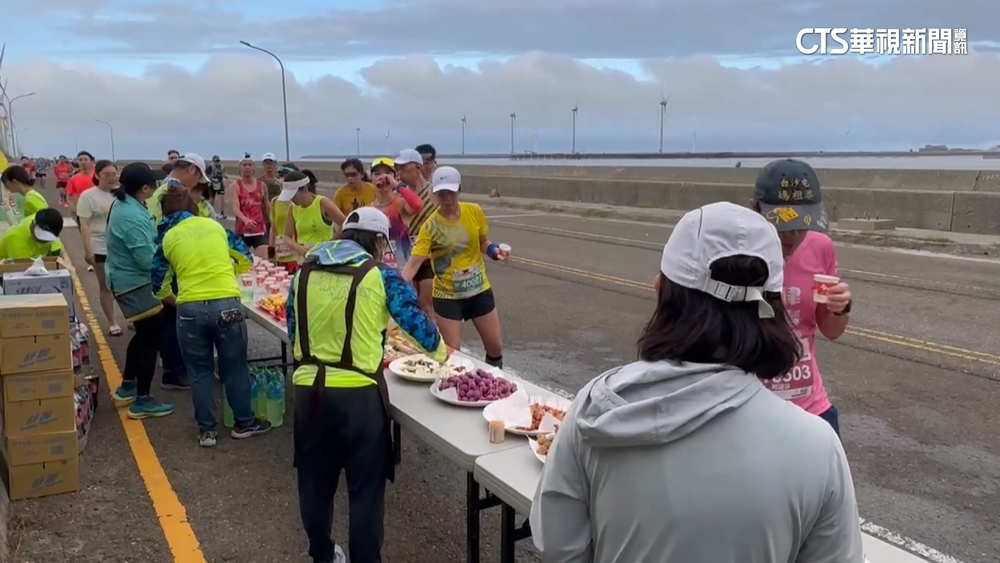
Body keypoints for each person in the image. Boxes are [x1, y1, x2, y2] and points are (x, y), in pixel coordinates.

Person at [530, 201, 864, 563]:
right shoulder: (817, 448)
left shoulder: (593, 410)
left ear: (661, 293)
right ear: (774, 310)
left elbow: (557, 546)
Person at [287, 207, 447, 563]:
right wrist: (440, 354)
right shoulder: (381, 275)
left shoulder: (304, 272)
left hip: (309, 391)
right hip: (359, 399)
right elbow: (416, 324)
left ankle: (322, 553)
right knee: (365, 491)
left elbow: (293, 329)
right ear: (377, 241)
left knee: (314, 484)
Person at [151, 187, 271, 447]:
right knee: (235, 366)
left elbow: (158, 284)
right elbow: (245, 259)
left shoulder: (167, 238)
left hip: (189, 309)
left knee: (199, 371)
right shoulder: (216, 227)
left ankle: (207, 431)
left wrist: (179, 300)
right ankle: (244, 423)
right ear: (193, 208)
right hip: (227, 303)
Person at [750, 158, 852, 436]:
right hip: (750, 410)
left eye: (802, 224)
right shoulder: (737, 251)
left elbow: (831, 330)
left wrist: (840, 307)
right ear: (754, 210)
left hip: (811, 408)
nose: (793, 235)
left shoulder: (821, 247)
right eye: (783, 224)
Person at [401, 167, 510, 367]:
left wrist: (494, 251)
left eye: (451, 192)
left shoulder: (473, 211)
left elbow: (483, 242)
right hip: (448, 297)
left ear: (459, 189)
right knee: (454, 356)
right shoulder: (430, 226)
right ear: (434, 192)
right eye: (441, 193)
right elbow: (414, 262)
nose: (447, 198)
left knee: (495, 348)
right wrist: (395, 286)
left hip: (478, 290)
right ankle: (455, 393)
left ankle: (493, 389)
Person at [105, 162, 175, 419]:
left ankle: (128, 386)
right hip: (134, 284)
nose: (156, 187)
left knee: (143, 335)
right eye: (153, 184)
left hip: (129, 280)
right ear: (144, 188)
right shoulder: (131, 216)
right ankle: (142, 400)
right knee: (151, 338)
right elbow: (146, 259)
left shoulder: (126, 204)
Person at [77, 160, 122, 336]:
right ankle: (112, 322)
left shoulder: (121, 195)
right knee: (105, 286)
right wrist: (88, 250)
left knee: (125, 284)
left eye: (114, 174)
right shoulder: (88, 196)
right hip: (99, 246)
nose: (112, 178)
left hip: (120, 247)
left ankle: (132, 317)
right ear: (97, 175)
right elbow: (85, 225)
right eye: (107, 175)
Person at [397, 148, 438, 316]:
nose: (399, 173)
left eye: (403, 168)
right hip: (409, 258)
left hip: (431, 258)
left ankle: (434, 339)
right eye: (397, 168)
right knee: (412, 302)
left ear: (418, 167)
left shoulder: (433, 192)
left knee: (425, 304)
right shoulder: (399, 195)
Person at [369, 157, 423, 269]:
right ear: (371, 178)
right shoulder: (368, 210)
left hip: (401, 270)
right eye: (377, 174)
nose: (382, 177)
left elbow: (417, 204)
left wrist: (396, 185)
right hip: (377, 270)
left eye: (388, 173)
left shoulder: (399, 204)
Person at [279, 171, 345, 259]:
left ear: (304, 189)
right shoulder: (293, 208)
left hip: (325, 256)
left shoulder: (322, 203)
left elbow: (346, 223)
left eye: (293, 196)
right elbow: (287, 236)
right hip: (305, 258)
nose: (292, 199)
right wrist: (298, 248)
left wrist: (332, 242)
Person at [149, 152, 212, 224]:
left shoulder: (159, 186)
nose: (196, 183)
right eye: (199, 177)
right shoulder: (175, 191)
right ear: (192, 169)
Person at [228, 154, 269, 255]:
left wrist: (271, 223)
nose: (247, 167)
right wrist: (245, 220)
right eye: (244, 165)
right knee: (243, 262)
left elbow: (266, 207)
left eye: (250, 165)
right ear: (240, 168)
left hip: (259, 229)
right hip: (242, 230)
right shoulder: (235, 186)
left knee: (264, 261)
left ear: (254, 168)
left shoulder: (262, 186)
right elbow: (235, 208)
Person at [269, 168, 308, 274]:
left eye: (285, 176)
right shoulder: (275, 202)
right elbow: (273, 228)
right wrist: (271, 253)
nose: (282, 179)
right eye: (279, 175)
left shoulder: (300, 203)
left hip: (296, 255)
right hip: (281, 255)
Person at [66, 150, 96, 215]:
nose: (83, 162)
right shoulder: (73, 179)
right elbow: (69, 197)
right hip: (83, 211)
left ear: (92, 162)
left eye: (86, 160)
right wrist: (74, 210)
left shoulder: (99, 176)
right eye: (80, 160)